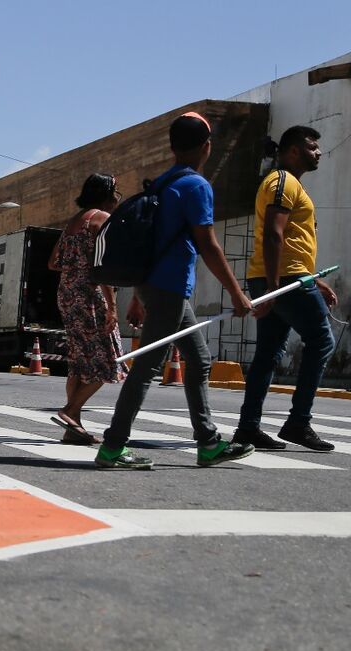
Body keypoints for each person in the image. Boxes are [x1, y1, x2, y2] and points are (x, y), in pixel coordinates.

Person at [95, 112, 255, 469]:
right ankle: (112, 447)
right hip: (169, 288)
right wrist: (236, 292)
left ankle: (208, 441)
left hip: (155, 284)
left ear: (171, 146)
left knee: (199, 360)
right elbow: (208, 244)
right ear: (207, 147)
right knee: (147, 369)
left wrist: (139, 293)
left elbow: (151, 241)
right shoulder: (196, 186)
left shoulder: (163, 182)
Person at [232, 126, 336, 452]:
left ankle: (248, 427)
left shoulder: (290, 183)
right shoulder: (282, 182)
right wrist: (276, 289)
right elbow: (274, 234)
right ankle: (298, 422)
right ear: (293, 151)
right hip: (282, 279)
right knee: (321, 341)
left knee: (267, 354)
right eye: (311, 146)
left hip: (288, 277)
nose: (318, 152)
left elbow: (291, 242)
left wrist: (314, 280)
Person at [47, 173, 127, 444]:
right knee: (109, 359)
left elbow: (53, 262)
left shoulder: (73, 222)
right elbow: (102, 268)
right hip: (89, 296)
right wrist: (112, 307)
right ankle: (69, 411)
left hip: (67, 295)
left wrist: (74, 268)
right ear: (107, 193)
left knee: (79, 362)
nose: (119, 196)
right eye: (117, 191)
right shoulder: (101, 219)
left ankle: (73, 428)